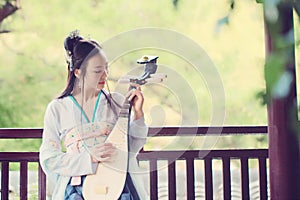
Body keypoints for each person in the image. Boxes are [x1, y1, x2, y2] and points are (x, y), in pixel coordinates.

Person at [39, 30, 148, 200]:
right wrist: (88, 158)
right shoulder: (58, 108)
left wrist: (138, 114)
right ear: (78, 72)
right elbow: (49, 158)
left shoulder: (117, 101)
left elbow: (130, 149)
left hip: (117, 183)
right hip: (77, 185)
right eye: (97, 71)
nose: (105, 75)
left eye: (106, 68)